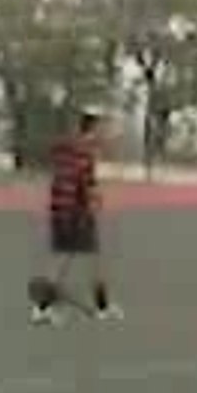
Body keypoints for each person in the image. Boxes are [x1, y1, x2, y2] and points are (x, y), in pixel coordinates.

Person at [30, 110, 123, 325]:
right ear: (94, 127)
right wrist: (95, 200)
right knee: (92, 261)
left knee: (61, 261)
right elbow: (85, 184)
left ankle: (43, 308)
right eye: (103, 127)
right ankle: (102, 307)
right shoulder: (85, 152)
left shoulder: (67, 148)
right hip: (76, 214)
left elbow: (64, 176)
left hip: (59, 210)